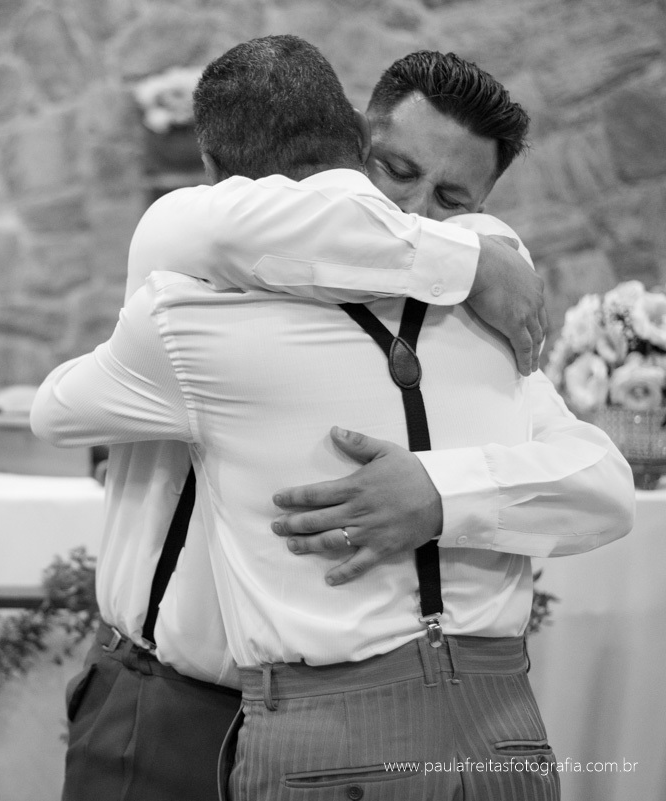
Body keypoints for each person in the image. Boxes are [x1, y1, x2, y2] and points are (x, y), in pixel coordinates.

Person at [32, 35, 635, 801]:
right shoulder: (205, 269)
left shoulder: (477, 324)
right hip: (173, 696)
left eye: (453, 201)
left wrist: (439, 492)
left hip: (394, 708)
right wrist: (470, 258)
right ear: (357, 146)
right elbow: (213, 231)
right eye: (400, 173)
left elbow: (602, 484)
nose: (414, 214)